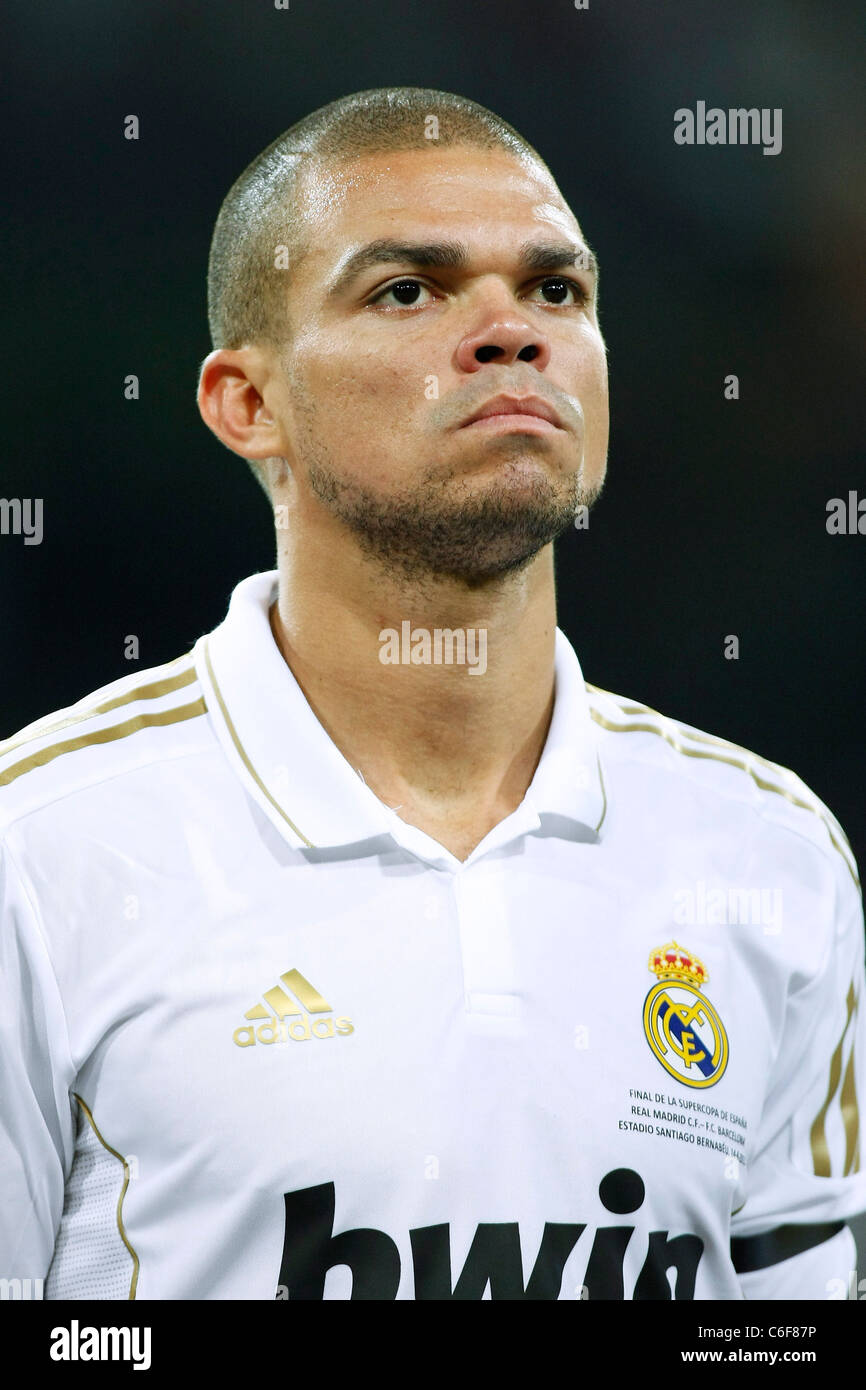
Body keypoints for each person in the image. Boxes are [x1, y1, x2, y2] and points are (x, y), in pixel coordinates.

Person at [1, 87, 864, 1301]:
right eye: (407, 290)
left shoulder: (768, 854)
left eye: (554, 290)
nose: (510, 331)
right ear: (247, 405)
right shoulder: (41, 852)